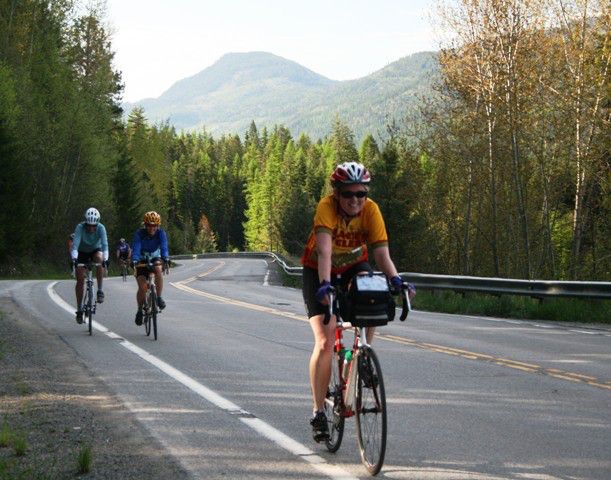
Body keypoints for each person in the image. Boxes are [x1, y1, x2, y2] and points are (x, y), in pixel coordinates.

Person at [300, 161, 415, 442]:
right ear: (336, 194)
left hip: (353, 265)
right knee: (326, 341)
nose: (355, 200)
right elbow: (325, 253)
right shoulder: (326, 208)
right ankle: (318, 412)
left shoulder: (371, 210)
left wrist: (397, 281)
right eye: (348, 194)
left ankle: (364, 353)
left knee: (374, 294)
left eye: (360, 194)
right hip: (318, 270)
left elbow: (381, 255)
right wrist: (326, 287)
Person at [130, 211, 170, 326]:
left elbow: (164, 247)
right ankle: (139, 310)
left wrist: (166, 258)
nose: (152, 228)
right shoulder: (139, 233)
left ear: (158, 226)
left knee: (158, 270)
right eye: (149, 225)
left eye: (154, 226)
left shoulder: (161, 233)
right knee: (142, 287)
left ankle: (159, 297)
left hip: (155, 257)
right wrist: (135, 260)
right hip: (141, 259)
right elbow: (136, 247)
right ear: (145, 225)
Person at [71, 207, 109, 324]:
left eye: (94, 226)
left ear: (97, 223)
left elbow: (104, 244)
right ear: (85, 222)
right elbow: (75, 245)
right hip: (81, 252)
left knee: (99, 258)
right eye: (89, 225)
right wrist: (75, 259)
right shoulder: (80, 227)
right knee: (80, 280)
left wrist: (105, 260)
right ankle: (79, 309)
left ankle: (100, 290)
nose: (91, 228)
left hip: (95, 250)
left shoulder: (101, 228)